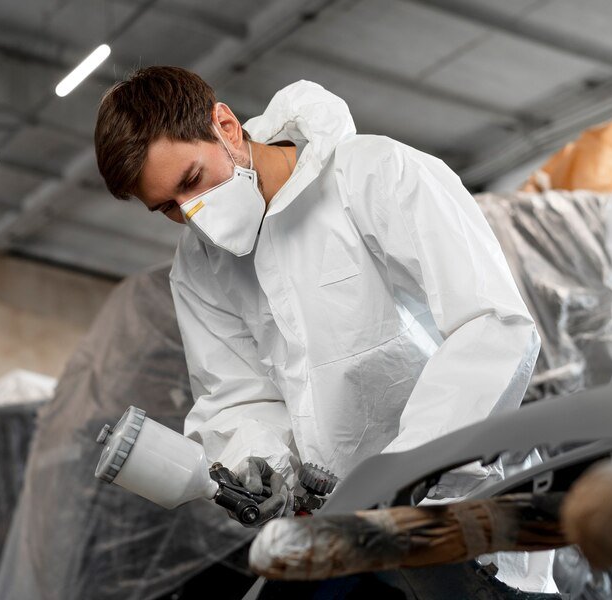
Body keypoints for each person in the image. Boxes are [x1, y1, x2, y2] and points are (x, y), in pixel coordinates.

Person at [95, 66, 553, 592]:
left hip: (466, 503)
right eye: (168, 209)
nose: (193, 216)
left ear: (224, 125)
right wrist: (259, 469)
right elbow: (236, 399)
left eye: (192, 182)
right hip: (346, 538)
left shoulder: (374, 175)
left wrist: (404, 476)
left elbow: (492, 324)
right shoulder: (199, 270)